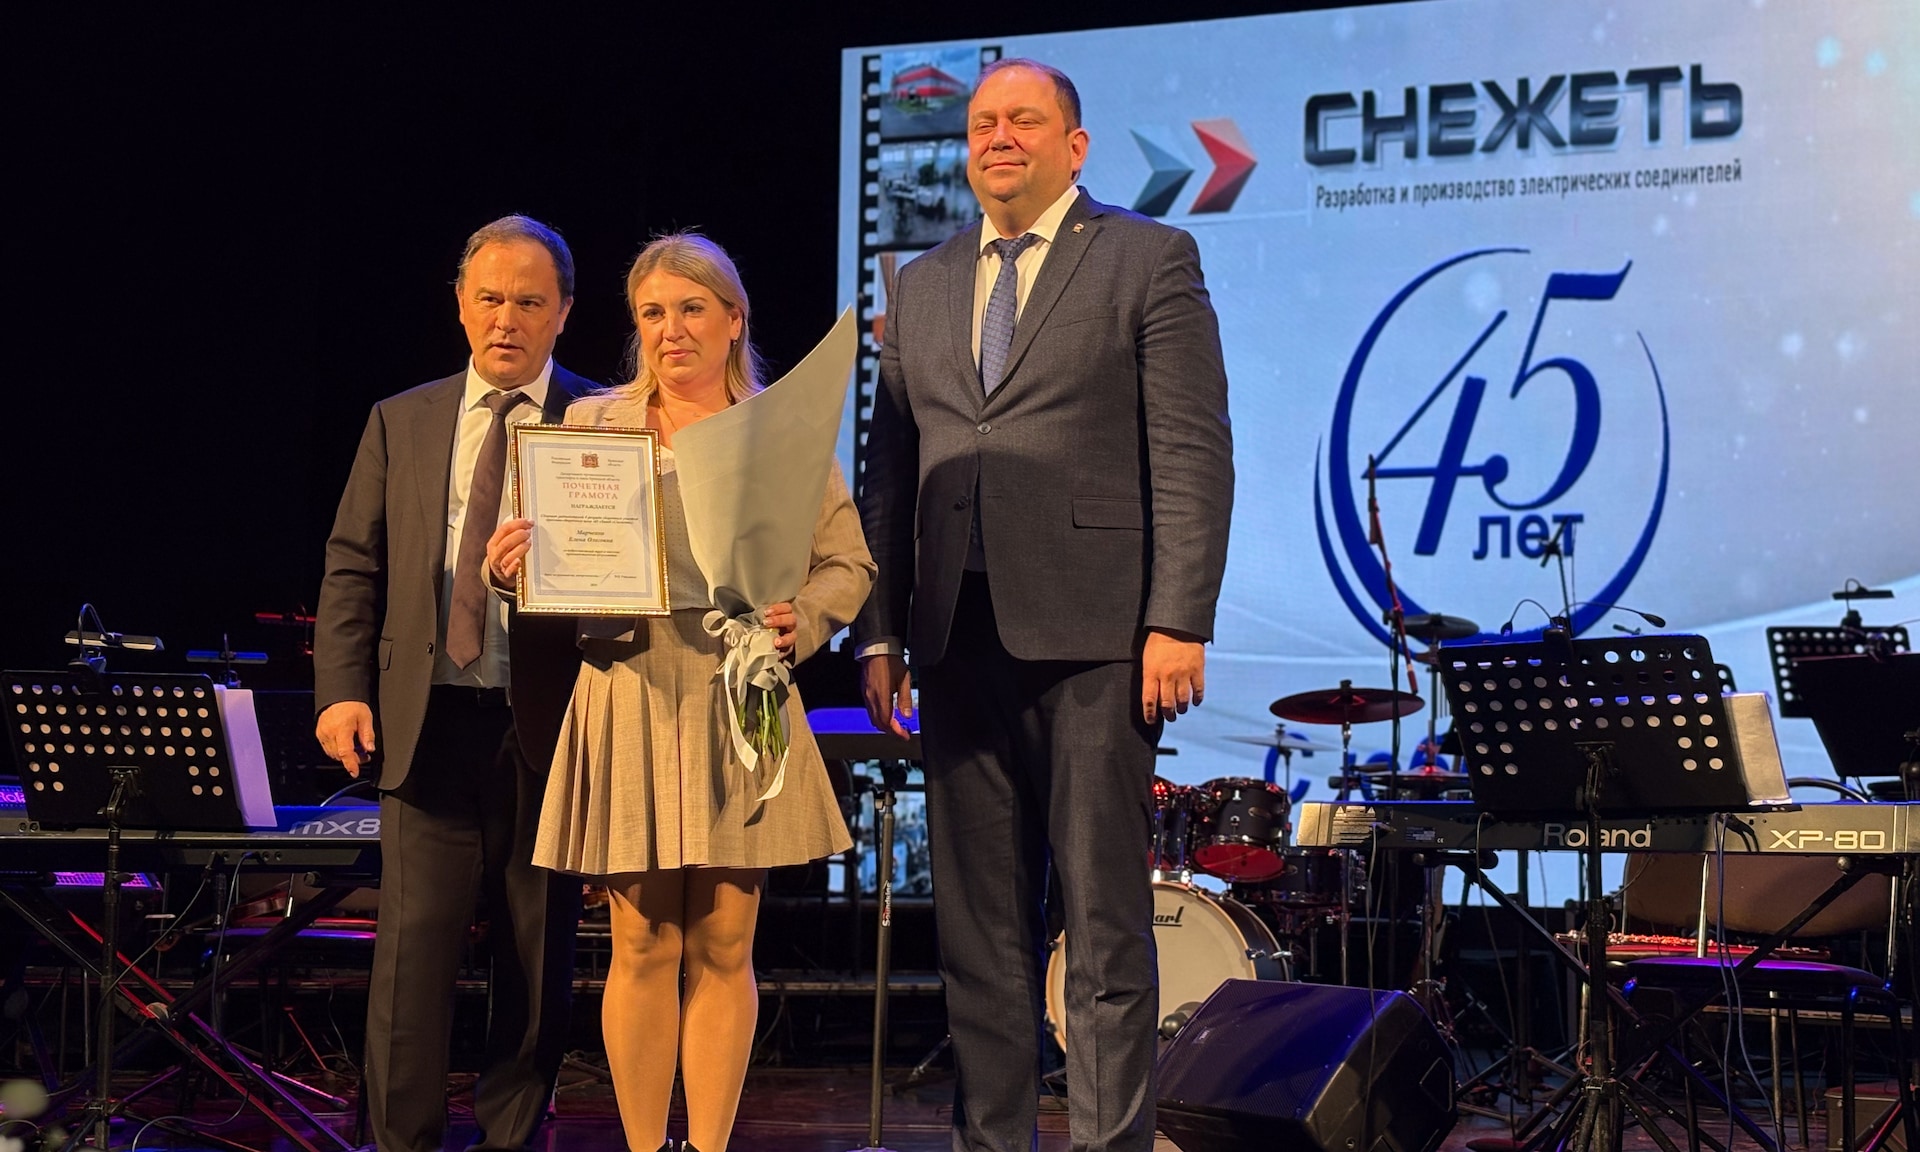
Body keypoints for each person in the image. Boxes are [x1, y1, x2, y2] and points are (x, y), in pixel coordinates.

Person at [855, 59, 1234, 1152]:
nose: (998, 138)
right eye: (982, 124)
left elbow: (1192, 450)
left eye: (1023, 120)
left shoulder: (1148, 256)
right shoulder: (922, 284)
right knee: (979, 935)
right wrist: (880, 630)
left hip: (1098, 640)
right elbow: (890, 474)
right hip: (954, 642)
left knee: (1104, 928)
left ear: (1075, 146)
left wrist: (1179, 618)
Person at [485, 232, 871, 1152]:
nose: (672, 330)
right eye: (653, 313)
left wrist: (806, 618)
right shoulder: (591, 428)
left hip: (738, 694)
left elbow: (847, 562)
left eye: (693, 309)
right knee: (643, 943)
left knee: (725, 944)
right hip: (629, 690)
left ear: (734, 321)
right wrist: (509, 570)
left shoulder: (776, 431)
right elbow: (536, 554)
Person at [313, 215, 588, 1152]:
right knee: (411, 958)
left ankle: (515, 1138)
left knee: (535, 955)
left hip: (547, 725)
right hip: (424, 722)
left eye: (529, 302)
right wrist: (341, 689)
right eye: (490, 299)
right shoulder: (402, 418)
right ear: (461, 306)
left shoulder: (601, 419)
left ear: (563, 313)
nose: (506, 319)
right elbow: (353, 564)